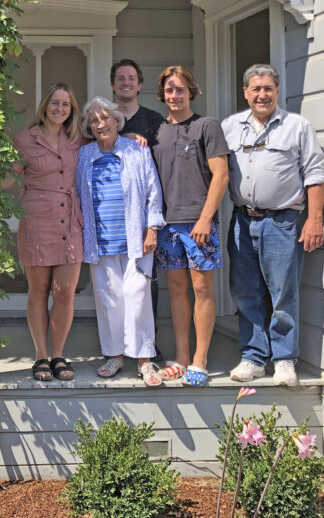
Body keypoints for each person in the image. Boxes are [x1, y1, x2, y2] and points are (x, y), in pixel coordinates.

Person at [222, 64, 324, 387]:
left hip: (283, 222)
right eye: (255, 89)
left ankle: (283, 359)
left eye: (268, 88)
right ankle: (253, 357)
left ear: (277, 91)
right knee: (245, 291)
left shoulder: (297, 126)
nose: (262, 95)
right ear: (245, 92)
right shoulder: (231, 127)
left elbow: (315, 173)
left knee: (283, 293)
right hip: (242, 219)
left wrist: (314, 219)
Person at [148, 65, 230, 387]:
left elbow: (220, 175)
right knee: (177, 290)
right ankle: (181, 357)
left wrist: (205, 219)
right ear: (162, 93)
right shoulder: (158, 132)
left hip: (198, 223)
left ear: (191, 91)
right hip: (167, 224)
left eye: (180, 89)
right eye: (169, 89)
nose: (174, 95)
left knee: (201, 288)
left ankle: (200, 360)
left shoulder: (207, 126)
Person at [76, 97, 166, 386]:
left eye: (105, 118)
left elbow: (153, 188)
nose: (100, 124)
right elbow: (78, 195)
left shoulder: (136, 150)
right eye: (94, 120)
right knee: (108, 299)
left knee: (138, 297)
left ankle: (143, 359)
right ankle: (114, 355)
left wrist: (152, 228)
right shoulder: (85, 154)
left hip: (135, 239)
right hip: (100, 240)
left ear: (117, 121)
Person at [10, 83, 85, 382]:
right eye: (55, 103)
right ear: (45, 105)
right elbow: (6, 177)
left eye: (66, 105)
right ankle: (41, 355)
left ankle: (58, 355)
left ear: (71, 110)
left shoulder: (78, 140)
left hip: (70, 222)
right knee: (39, 291)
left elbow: (109, 140)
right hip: (38, 222)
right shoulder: (25, 140)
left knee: (65, 292)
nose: (60, 109)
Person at [112, 58, 167, 360]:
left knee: (146, 281)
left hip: (144, 211)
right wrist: (123, 138)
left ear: (140, 84)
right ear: (113, 84)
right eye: (120, 78)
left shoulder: (153, 119)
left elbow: (156, 168)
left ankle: (149, 342)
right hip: (111, 212)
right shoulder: (105, 118)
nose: (126, 83)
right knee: (115, 284)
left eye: (131, 78)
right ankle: (119, 343)